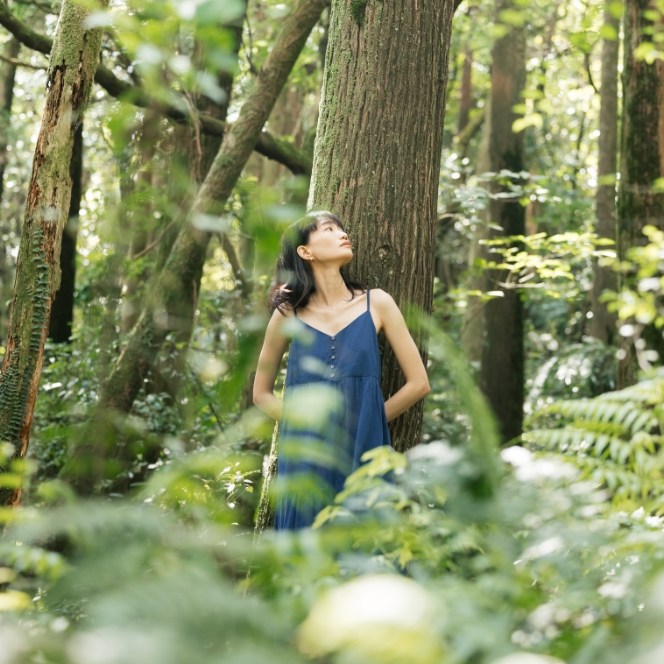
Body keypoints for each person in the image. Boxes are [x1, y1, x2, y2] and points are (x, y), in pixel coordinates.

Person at [253, 211, 430, 529]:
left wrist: (368, 422)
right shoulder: (287, 314)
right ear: (305, 251)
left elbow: (419, 383)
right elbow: (261, 394)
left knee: (365, 536)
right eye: (329, 229)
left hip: (366, 447)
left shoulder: (377, 303)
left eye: (342, 229)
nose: (342, 234)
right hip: (308, 454)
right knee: (306, 538)